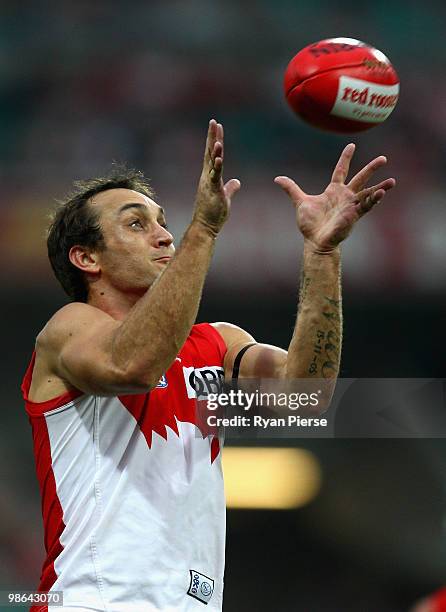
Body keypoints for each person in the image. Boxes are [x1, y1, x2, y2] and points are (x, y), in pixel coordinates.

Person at [21, 119, 395, 611]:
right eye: (137, 224)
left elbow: (305, 399)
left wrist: (322, 254)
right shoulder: (67, 330)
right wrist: (204, 228)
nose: (162, 236)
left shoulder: (217, 343)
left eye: (163, 222)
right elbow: (133, 366)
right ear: (86, 258)